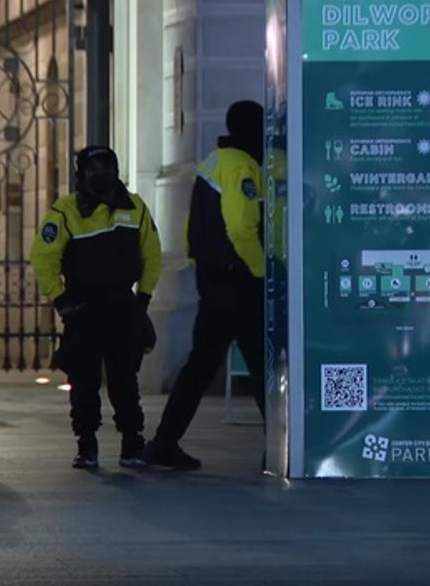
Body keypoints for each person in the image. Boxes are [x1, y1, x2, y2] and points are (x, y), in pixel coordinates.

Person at [144, 100, 266, 471]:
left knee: (199, 367)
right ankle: (281, 444)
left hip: (213, 282)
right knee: (264, 367)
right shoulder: (242, 166)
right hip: (240, 281)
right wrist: (262, 272)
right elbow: (242, 228)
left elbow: (189, 226)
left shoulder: (213, 162)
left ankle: (164, 441)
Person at [30, 145, 161, 470]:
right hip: (83, 309)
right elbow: (43, 257)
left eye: (107, 168)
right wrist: (60, 299)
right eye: (93, 169)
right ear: (81, 175)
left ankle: (132, 443)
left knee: (125, 382)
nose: (100, 175)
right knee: (84, 383)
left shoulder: (135, 208)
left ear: (117, 171)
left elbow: (152, 255)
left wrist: (142, 299)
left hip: (122, 307)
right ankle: (86, 445)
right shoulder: (65, 211)